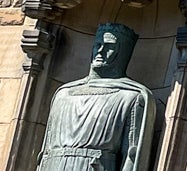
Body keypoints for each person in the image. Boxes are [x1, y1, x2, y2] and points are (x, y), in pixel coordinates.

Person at [38, 24, 157, 171]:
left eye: (109, 46)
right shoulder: (63, 94)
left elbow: (132, 156)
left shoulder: (131, 97)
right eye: (98, 45)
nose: (100, 51)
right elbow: (45, 151)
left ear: (124, 52)